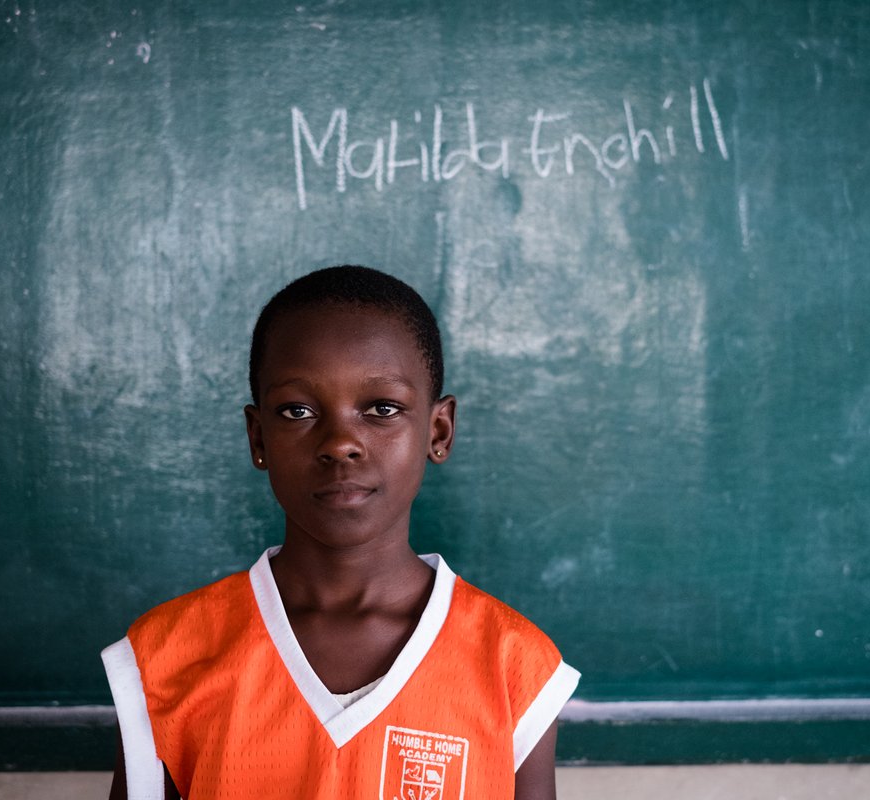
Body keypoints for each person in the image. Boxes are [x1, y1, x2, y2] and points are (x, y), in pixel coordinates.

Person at [102, 265, 579, 800]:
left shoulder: (514, 665)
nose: (340, 443)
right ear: (258, 437)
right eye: (298, 410)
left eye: (382, 409)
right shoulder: (168, 657)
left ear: (438, 431)